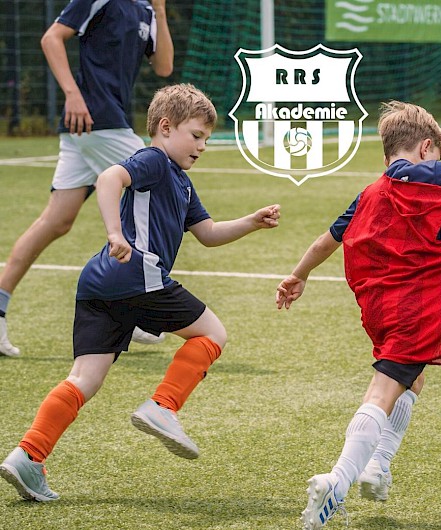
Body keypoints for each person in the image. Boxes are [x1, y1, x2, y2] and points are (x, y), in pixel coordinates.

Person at [0, 83, 281, 502]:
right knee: (213, 334)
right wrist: (115, 232)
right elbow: (110, 177)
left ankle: (29, 455)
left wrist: (251, 222)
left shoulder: (182, 183)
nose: (202, 146)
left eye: (206, 137)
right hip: (137, 275)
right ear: (165, 128)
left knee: (84, 378)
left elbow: (207, 233)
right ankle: (163, 406)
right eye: (196, 135)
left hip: (99, 284)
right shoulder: (154, 160)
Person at [276, 101, 441, 530]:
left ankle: (378, 465)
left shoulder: (370, 192)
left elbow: (326, 241)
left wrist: (297, 275)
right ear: (427, 147)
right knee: (382, 390)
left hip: (379, 307)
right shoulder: (438, 174)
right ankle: (336, 482)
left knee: (412, 378)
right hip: (416, 306)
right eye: (434, 154)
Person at [0, 0, 175, 357]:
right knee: (158, 189)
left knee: (57, 221)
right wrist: (72, 95)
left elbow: (164, 66)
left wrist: (160, 10)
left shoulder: (145, 9)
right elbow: (52, 38)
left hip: (93, 127)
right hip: (97, 119)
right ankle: (138, 308)